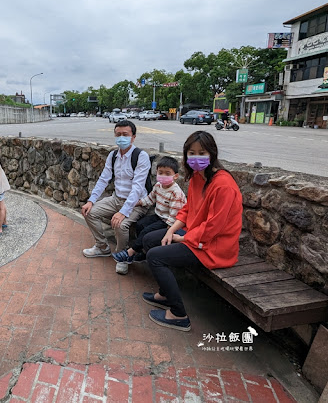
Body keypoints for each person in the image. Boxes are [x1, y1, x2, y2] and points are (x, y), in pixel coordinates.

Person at [143, 131, 242, 331]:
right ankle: (165, 293)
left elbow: (214, 227)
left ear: (212, 153)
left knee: (155, 256)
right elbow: (188, 209)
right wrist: (171, 230)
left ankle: (179, 314)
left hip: (214, 246)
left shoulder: (223, 185)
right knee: (149, 239)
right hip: (196, 235)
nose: (196, 158)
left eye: (202, 153)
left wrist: (185, 238)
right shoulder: (198, 176)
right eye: (191, 153)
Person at [81, 120, 150, 275]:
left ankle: (122, 256)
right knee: (89, 212)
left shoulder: (141, 156)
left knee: (120, 225)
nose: (121, 138)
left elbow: (138, 187)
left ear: (133, 137)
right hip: (116, 198)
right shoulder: (113, 155)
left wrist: (124, 211)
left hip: (137, 203)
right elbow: (103, 179)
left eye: (125, 134)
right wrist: (91, 201)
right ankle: (102, 246)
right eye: (118, 134)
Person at [111, 156, 186, 264]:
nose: (163, 176)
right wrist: (137, 203)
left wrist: (169, 230)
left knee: (147, 231)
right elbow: (150, 198)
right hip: (159, 216)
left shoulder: (176, 192)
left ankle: (130, 252)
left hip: (169, 221)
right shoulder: (158, 185)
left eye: (167, 173)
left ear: (175, 176)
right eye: (161, 172)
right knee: (140, 224)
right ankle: (143, 251)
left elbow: (175, 214)